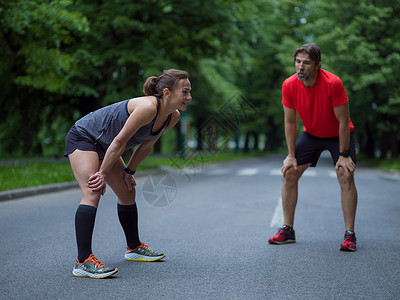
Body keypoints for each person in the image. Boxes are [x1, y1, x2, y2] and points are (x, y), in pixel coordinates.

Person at [64, 69, 191, 278]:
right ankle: (83, 260)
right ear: (167, 92)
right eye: (185, 92)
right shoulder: (148, 107)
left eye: (189, 92)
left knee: (127, 191)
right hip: (84, 137)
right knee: (93, 190)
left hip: (107, 145)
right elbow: (119, 142)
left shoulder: (172, 116)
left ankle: (133, 248)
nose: (189, 97)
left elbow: (147, 145)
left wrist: (129, 171)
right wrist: (102, 173)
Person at [268, 43, 358, 251]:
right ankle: (288, 230)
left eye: (306, 63)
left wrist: (344, 154)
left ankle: (350, 234)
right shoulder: (289, 85)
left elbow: (343, 121)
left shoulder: (333, 83)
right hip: (311, 134)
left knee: (345, 174)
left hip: (338, 134)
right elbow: (290, 122)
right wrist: (291, 155)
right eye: (298, 62)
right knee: (289, 172)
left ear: (317, 65)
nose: (300, 67)